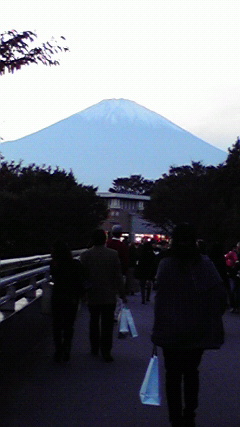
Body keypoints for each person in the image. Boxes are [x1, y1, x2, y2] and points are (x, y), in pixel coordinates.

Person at [152, 223, 226, 427]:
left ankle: (175, 417)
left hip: (170, 330)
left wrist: (157, 328)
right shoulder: (205, 265)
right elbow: (220, 297)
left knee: (172, 375)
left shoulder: (166, 265)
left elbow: (160, 300)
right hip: (197, 328)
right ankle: (189, 413)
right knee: (192, 372)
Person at [81, 229, 124, 362]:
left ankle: (94, 347)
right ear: (105, 239)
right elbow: (118, 275)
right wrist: (122, 292)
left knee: (94, 320)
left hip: (93, 293)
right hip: (109, 294)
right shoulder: (113, 254)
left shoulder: (85, 255)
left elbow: (83, 276)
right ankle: (106, 350)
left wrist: (84, 292)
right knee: (107, 324)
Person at [50, 240, 85, 362]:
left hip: (58, 296)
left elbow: (54, 277)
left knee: (57, 324)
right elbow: (81, 280)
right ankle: (67, 348)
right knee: (69, 325)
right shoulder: (75, 264)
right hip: (71, 297)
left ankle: (58, 349)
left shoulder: (54, 264)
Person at [135, 239, 155, 304]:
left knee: (142, 286)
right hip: (149, 271)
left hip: (142, 271)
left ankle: (143, 298)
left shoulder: (142, 254)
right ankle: (148, 297)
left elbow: (139, 263)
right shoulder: (152, 254)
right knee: (149, 284)